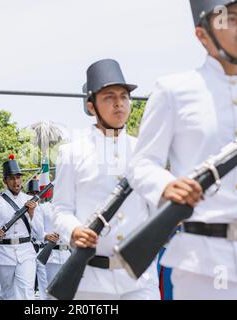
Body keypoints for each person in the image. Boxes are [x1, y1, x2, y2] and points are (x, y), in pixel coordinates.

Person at [128, 0, 237, 299]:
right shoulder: (173, 91)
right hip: (204, 264)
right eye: (231, 18)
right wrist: (168, 186)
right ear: (202, 35)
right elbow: (141, 165)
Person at [53, 59, 160, 300]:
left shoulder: (145, 150)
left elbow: (155, 210)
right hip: (90, 282)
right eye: (109, 97)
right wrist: (74, 230)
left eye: (124, 97)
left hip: (140, 281)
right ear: (92, 106)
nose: (119, 104)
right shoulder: (72, 152)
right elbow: (60, 209)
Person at [0, 155, 43, 300]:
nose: (16, 182)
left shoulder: (30, 201)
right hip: (4, 253)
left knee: (26, 292)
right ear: (5, 181)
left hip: (26, 252)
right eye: (11, 178)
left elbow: (39, 233)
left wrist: (32, 213)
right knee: (7, 293)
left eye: (18, 177)